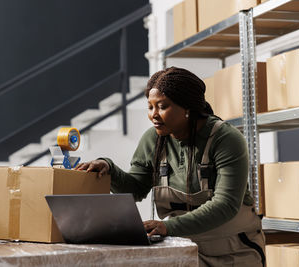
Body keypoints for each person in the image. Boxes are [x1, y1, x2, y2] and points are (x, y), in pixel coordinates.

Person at [75, 66, 265, 266]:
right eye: (150, 107)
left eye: (162, 106)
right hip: (184, 249)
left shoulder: (226, 139)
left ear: (188, 108)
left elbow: (225, 205)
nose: (153, 115)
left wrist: (167, 227)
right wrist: (108, 169)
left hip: (234, 251)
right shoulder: (153, 140)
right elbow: (136, 188)